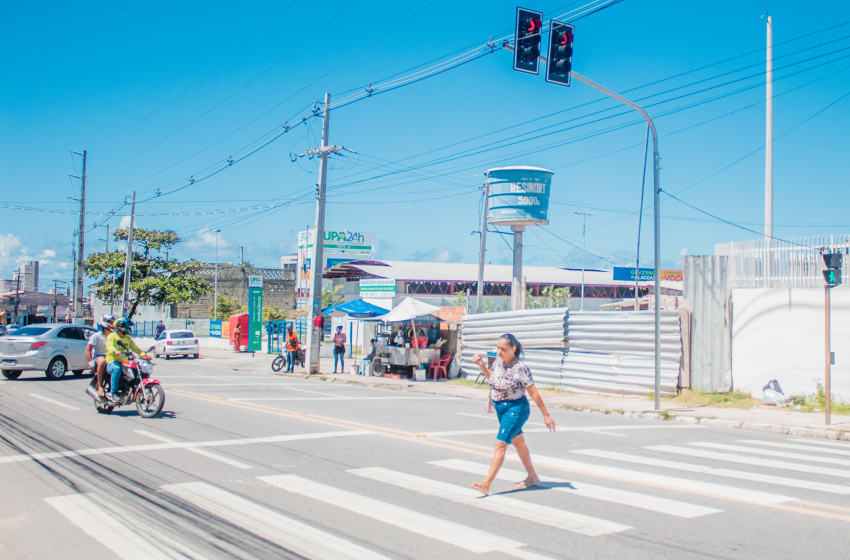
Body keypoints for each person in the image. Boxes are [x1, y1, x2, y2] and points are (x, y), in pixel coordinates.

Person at [470, 333, 555, 496]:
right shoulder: (497, 362)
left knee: (500, 444)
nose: (499, 352)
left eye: (503, 349)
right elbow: (492, 379)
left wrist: (546, 414)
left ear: (513, 349)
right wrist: (481, 366)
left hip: (516, 408)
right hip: (501, 407)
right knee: (519, 443)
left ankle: (486, 483)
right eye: (498, 348)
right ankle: (532, 476)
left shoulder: (520, 368)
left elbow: (533, 391)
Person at [105, 317, 151, 402]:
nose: (128, 329)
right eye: (126, 327)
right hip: (112, 361)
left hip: (124, 362)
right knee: (117, 369)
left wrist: (144, 355)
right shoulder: (112, 336)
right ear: (120, 327)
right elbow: (109, 346)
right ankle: (113, 393)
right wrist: (115, 351)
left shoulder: (127, 338)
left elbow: (136, 349)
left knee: (137, 369)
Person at [85, 315, 115, 398]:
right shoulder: (96, 336)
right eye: (110, 322)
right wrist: (91, 363)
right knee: (102, 361)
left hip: (112, 356)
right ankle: (100, 386)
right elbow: (87, 350)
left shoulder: (114, 335)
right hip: (100, 356)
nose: (112, 324)